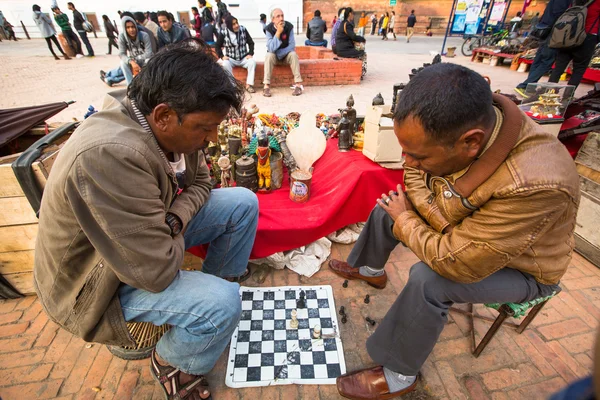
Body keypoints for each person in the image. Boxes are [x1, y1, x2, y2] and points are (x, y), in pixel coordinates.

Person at [330, 62, 579, 399]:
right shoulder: (465, 123)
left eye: (418, 155)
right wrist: (431, 215)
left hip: (523, 269)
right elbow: (414, 177)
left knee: (428, 280)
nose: (407, 161)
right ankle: (370, 269)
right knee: (388, 205)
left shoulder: (535, 184)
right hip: (463, 228)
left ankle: (400, 374)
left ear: (471, 143)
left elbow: (454, 262)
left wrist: (412, 220)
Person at [35, 39, 255, 400]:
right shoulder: (112, 154)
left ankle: (205, 309)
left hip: (151, 238)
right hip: (94, 283)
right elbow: (155, 273)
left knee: (242, 203)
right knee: (224, 304)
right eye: (205, 128)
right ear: (165, 116)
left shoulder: (161, 119)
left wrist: (173, 220)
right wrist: (169, 226)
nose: (212, 139)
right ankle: (173, 361)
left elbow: (202, 182)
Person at [514, 0, 571, 96]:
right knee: (546, 61)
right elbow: (558, 16)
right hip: (553, 33)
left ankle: (529, 88)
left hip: (545, 31)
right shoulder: (563, 2)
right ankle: (524, 86)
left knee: (539, 59)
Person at [548, 0, 600, 88]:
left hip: (569, 35)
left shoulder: (574, 1)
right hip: (588, 36)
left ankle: (548, 92)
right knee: (579, 69)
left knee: (558, 68)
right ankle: (567, 97)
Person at [263, 8, 303, 97]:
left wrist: (280, 54)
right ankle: (266, 86)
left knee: (293, 54)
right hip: (274, 57)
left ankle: (298, 85)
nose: (281, 18)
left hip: (286, 56)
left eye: (282, 16)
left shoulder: (289, 27)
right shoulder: (268, 29)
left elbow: (292, 45)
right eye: (278, 16)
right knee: (269, 55)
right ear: (273, 20)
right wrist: (278, 33)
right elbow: (270, 48)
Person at [216, 15, 256, 93]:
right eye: (234, 24)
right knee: (225, 64)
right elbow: (217, 46)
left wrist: (250, 53)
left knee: (252, 62)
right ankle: (233, 86)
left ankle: (249, 85)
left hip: (243, 57)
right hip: (231, 58)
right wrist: (221, 56)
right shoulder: (224, 32)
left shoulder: (243, 29)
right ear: (229, 26)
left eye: (236, 23)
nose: (236, 25)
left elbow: (251, 42)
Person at [118, 15, 153, 85]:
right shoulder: (122, 37)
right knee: (123, 63)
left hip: (144, 60)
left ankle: (148, 84)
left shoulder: (144, 35)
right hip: (133, 62)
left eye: (132, 27)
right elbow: (121, 54)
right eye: (128, 27)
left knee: (148, 61)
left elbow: (149, 53)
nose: (131, 30)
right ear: (124, 29)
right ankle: (131, 86)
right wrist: (131, 61)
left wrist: (135, 59)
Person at [336, 7, 367, 79]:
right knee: (362, 53)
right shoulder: (347, 24)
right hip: (344, 49)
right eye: (353, 14)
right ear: (350, 14)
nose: (353, 15)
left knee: (358, 50)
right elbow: (353, 37)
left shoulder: (343, 23)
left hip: (341, 48)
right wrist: (362, 39)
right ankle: (361, 73)